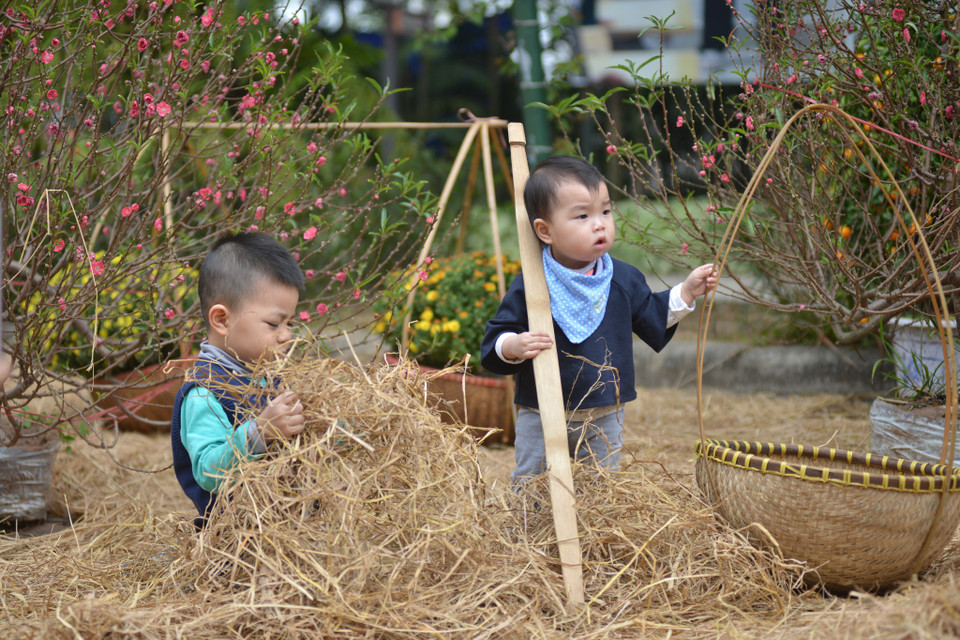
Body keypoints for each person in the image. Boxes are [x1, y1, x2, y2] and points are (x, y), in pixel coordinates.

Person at [480, 156, 718, 484]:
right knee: (531, 479)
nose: (599, 224)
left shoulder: (622, 279)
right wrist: (515, 345)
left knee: (602, 482)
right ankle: (526, 530)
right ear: (545, 231)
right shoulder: (533, 282)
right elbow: (497, 337)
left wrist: (687, 293)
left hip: (605, 411)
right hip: (541, 411)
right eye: (582, 215)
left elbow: (652, 317)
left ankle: (594, 531)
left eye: (606, 211)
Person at [171, 231, 306, 527]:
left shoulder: (265, 376)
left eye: (290, 323)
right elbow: (208, 471)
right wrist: (260, 432)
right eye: (274, 323)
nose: (286, 335)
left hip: (286, 526)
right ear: (222, 320)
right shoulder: (204, 392)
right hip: (236, 538)